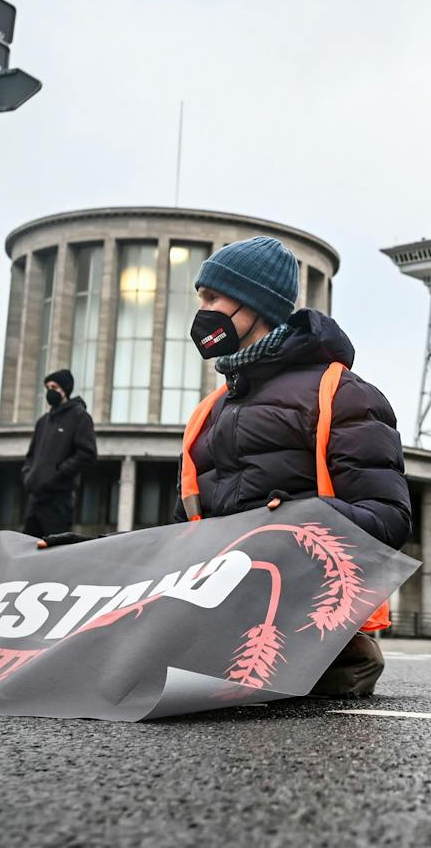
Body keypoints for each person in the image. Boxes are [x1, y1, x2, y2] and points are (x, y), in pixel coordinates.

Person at [170, 236, 410, 698]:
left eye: (213, 298)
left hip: (309, 631)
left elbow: (389, 520)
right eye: (200, 298)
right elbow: (177, 542)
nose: (202, 312)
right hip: (217, 623)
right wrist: (88, 556)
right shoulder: (206, 414)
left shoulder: (341, 394)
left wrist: (302, 518)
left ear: (255, 304)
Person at [21, 368, 96, 539]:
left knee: (55, 548)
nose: (50, 392)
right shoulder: (42, 422)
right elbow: (30, 456)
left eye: (54, 387)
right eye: (47, 388)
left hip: (59, 500)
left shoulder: (80, 417)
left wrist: (59, 472)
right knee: (28, 546)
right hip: (35, 499)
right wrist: (28, 476)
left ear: (65, 390)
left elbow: (87, 453)